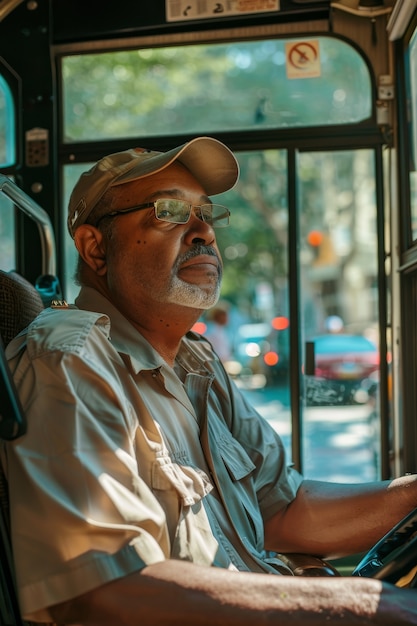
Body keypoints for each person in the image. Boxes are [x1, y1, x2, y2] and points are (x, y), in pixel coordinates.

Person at [2, 136, 417, 625]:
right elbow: (106, 588)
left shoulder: (198, 364)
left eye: (206, 213)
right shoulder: (70, 362)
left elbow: (285, 509)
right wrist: (364, 606)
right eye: (170, 211)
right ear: (95, 248)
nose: (204, 231)